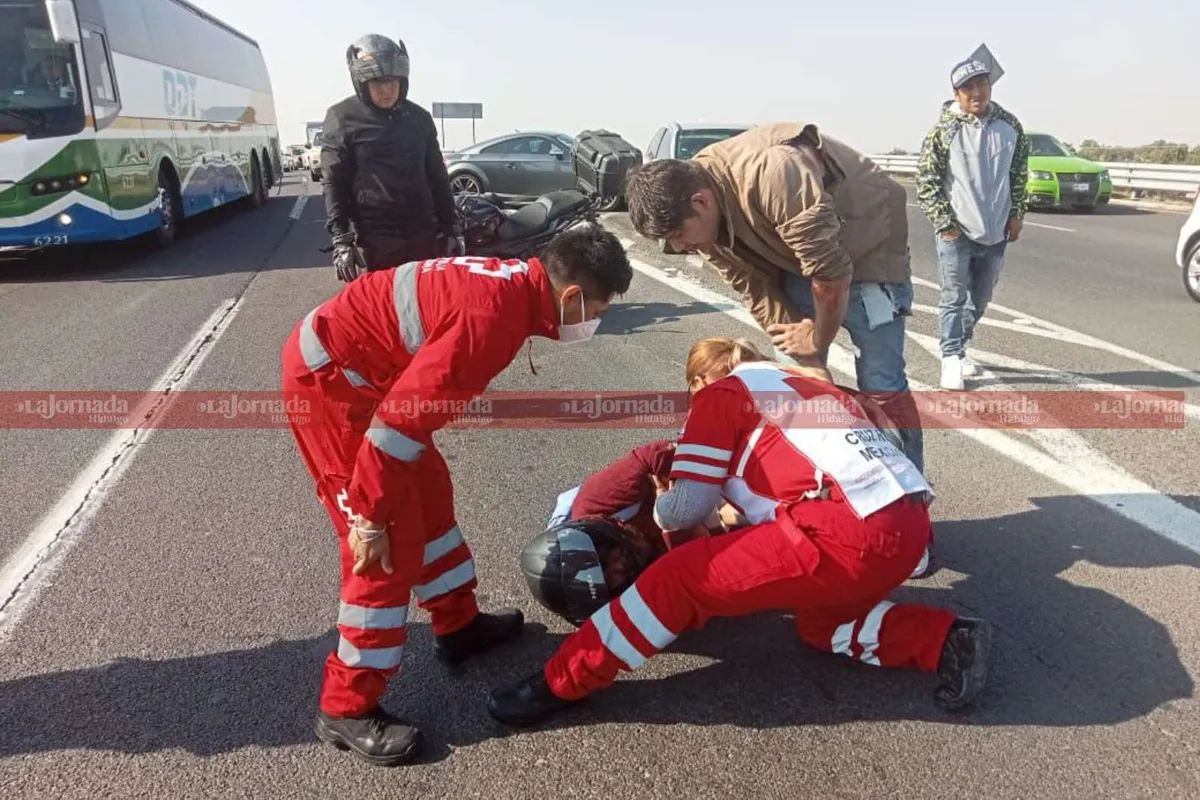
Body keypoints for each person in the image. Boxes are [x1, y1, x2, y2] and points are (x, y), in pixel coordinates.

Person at [487, 336, 991, 727]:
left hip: (845, 528)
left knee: (680, 580)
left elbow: (689, 506)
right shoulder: (812, 387)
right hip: (906, 529)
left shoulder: (724, 396)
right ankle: (946, 640)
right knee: (821, 628)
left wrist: (665, 516)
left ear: (703, 384)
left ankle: (559, 684)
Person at [280, 224, 633, 766]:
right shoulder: (491, 319)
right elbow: (396, 428)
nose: (595, 322)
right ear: (569, 296)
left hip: (362, 377)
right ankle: (346, 706)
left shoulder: (517, 285)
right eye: (598, 309)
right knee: (385, 545)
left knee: (431, 502)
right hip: (333, 386)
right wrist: (369, 516)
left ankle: (458, 625)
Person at [623, 123, 925, 476]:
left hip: (868, 241)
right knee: (795, 378)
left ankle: (910, 486)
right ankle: (826, 485)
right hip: (796, 256)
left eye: (678, 235)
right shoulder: (701, 218)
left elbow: (831, 278)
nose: (677, 248)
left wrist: (817, 340)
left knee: (881, 380)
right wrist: (807, 360)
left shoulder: (774, 173)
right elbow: (752, 285)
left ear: (702, 202)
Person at [916, 58, 1030, 390]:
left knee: (980, 298)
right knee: (953, 296)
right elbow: (927, 180)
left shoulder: (1010, 125)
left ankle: (961, 346)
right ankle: (951, 357)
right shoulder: (943, 130)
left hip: (995, 231)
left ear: (990, 86)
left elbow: (1019, 172)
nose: (976, 92)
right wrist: (945, 223)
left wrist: (1017, 213)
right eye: (968, 88)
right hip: (957, 231)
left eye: (982, 85)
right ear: (957, 93)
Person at [320, 34, 463, 282]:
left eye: (393, 82)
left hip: (424, 234)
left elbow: (438, 177)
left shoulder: (420, 119)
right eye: (378, 83)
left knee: (425, 308)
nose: (387, 91)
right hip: (376, 239)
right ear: (361, 82)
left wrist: (452, 229)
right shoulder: (342, 118)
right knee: (383, 313)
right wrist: (342, 239)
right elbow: (334, 182)